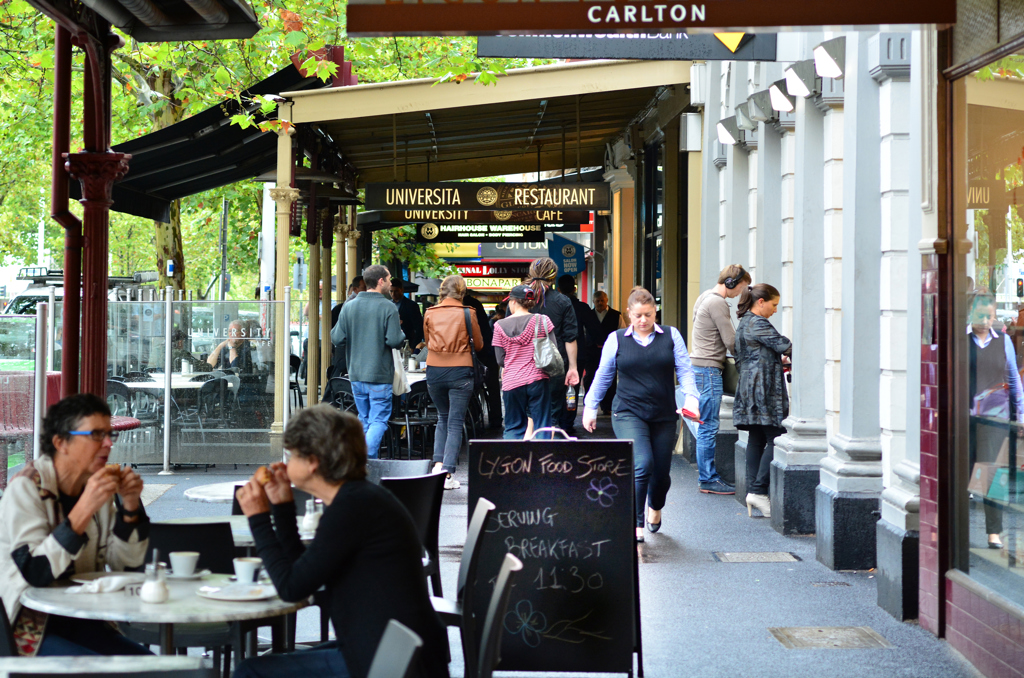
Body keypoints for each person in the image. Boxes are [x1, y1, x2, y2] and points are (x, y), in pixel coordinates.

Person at [234, 405, 449, 678]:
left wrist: (258, 518)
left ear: (312, 462)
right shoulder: (358, 499)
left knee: (249, 671)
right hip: (393, 649)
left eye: (291, 456)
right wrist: (282, 506)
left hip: (391, 663)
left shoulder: (351, 508)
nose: (285, 464)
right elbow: (303, 574)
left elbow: (290, 588)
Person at [0, 394, 151, 656]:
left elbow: (125, 568)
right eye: (95, 435)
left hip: (85, 619)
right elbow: (34, 573)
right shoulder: (26, 487)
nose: (107, 444)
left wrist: (130, 507)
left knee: (158, 668)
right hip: (28, 632)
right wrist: (83, 509)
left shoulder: (94, 486)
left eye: (109, 435)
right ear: (61, 442)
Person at [582, 287, 700, 542]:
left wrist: (692, 398)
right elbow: (603, 375)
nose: (643, 321)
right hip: (627, 412)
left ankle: (655, 506)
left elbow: (685, 370)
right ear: (629, 314)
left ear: (655, 311)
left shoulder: (671, 336)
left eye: (648, 315)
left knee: (660, 474)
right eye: (638, 316)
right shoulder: (617, 339)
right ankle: (636, 525)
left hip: (663, 413)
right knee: (642, 463)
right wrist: (590, 406)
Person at [331, 265, 405, 458]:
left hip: (356, 374)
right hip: (380, 374)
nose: (390, 283)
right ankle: (365, 459)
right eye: (388, 279)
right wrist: (401, 332)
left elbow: (337, 338)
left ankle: (362, 465)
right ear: (380, 281)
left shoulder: (349, 306)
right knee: (379, 420)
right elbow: (395, 340)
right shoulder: (388, 307)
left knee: (364, 420)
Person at [690, 264, 751, 495]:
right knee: (708, 426)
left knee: (705, 424)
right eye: (742, 287)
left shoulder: (705, 296)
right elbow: (731, 341)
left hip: (700, 368)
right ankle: (708, 478)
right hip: (708, 371)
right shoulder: (717, 302)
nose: (741, 294)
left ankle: (707, 476)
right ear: (731, 283)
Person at [967, 293, 1022, 550]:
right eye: (981, 315)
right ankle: (956, 531)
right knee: (962, 473)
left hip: (994, 419)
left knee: (991, 473)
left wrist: (1020, 416)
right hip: (963, 418)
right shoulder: (960, 340)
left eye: (990, 316)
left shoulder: (1004, 343)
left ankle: (993, 533)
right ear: (971, 313)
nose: (986, 321)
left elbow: (1013, 380)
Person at [732, 284, 792, 519]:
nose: (775, 310)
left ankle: (753, 491)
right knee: (775, 436)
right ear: (761, 302)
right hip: (763, 389)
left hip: (748, 388)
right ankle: (758, 492)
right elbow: (784, 344)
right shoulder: (758, 323)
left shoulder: (745, 322)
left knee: (756, 438)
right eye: (774, 305)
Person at [422, 275, 484, 490]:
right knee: (456, 422)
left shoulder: (429, 313)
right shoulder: (468, 312)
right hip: (461, 370)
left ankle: (437, 466)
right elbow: (480, 345)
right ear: (462, 291)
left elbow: (428, 341)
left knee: (442, 418)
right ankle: (447, 473)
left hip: (434, 371)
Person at [493, 285, 556, 439]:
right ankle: (542, 462)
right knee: (542, 426)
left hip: (512, 382)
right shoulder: (543, 320)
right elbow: (553, 350)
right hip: (538, 380)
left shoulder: (499, 325)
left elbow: (500, 359)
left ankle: (513, 461)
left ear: (513, 301)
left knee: (514, 427)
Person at [526, 258, 580, 432]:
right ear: (554, 276)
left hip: (524, 365)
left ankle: (527, 454)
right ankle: (547, 454)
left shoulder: (519, 298)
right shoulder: (563, 301)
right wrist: (573, 367)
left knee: (527, 416)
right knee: (551, 416)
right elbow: (570, 337)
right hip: (555, 366)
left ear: (531, 274)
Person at [557, 274, 602, 435]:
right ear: (575, 289)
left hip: (556, 354)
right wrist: (598, 343)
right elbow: (595, 328)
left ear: (559, 289)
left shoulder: (554, 306)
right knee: (572, 388)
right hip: (579, 353)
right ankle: (567, 421)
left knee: (556, 387)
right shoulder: (582, 307)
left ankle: (555, 420)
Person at [463, 289, 502, 430]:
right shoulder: (474, 304)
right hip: (487, 352)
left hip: (478, 353)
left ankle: (473, 417)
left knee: (472, 386)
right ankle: (496, 419)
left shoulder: (466, 307)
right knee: (492, 387)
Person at [590, 291, 627, 414]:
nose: (600, 303)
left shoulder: (616, 315)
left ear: (607, 301)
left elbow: (622, 332)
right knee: (590, 377)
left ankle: (608, 406)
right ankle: (591, 405)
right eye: (597, 301)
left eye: (602, 300)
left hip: (611, 352)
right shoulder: (589, 314)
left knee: (610, 379)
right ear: (593, 302)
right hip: (593, 351)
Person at [391, 279, 425, 349]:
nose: (393, 294)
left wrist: (413, 347)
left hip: (407, 343)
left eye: (396, 291)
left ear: (401, 290)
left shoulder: (411, 305)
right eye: (391, 291)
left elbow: (419, 328)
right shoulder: (387, 305)